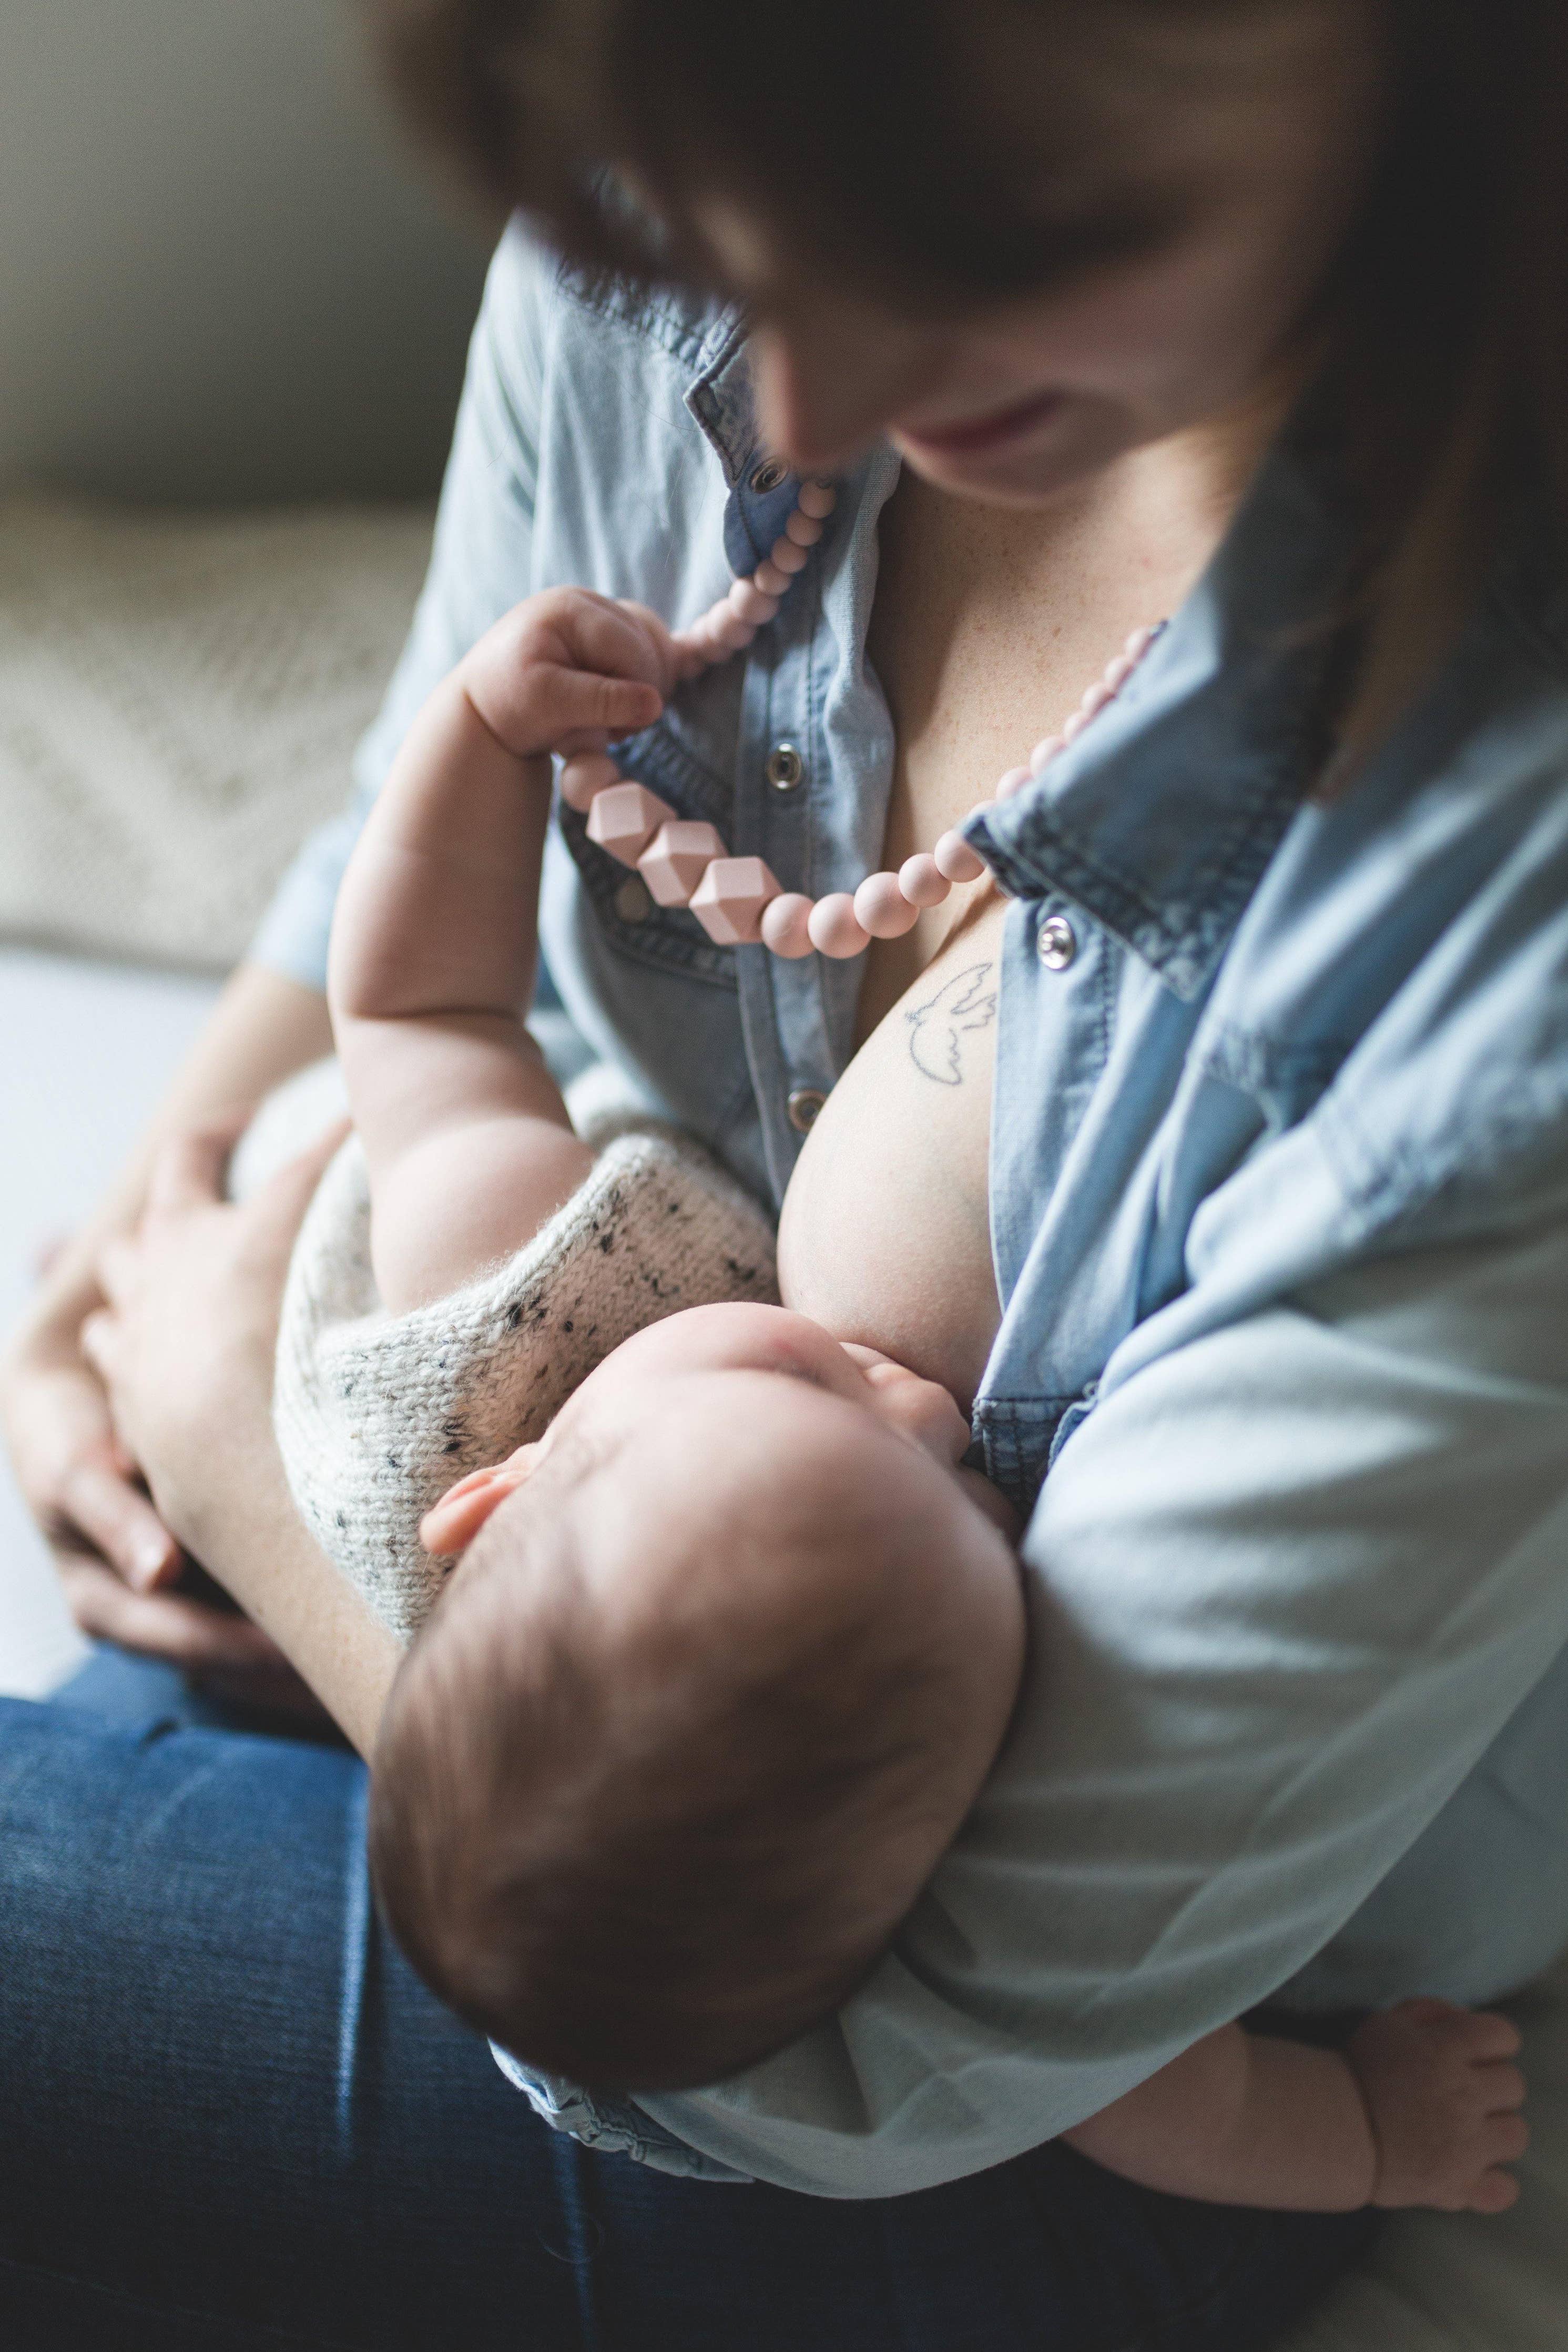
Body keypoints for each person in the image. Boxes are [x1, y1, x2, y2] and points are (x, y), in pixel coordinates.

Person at [5, 0, 1568, 2341]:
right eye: (720, 243)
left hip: (970, 2077)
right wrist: (140, 1236)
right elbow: (423, 865)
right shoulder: (674, 145)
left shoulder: (1491, 947)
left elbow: (935, 2037)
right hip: (525, 1774)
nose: (801, 398)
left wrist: (243, 1463)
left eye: (961, 240)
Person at [330, 556, 1523, 2210]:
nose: (930, 1410)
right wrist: (1376, 2142)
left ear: (499, 1483)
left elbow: (420, 1014)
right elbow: (1157, 2092)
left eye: (809, 1397)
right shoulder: (910, 1785)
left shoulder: (522, 1310)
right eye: (970, 1500)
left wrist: (477, 736)